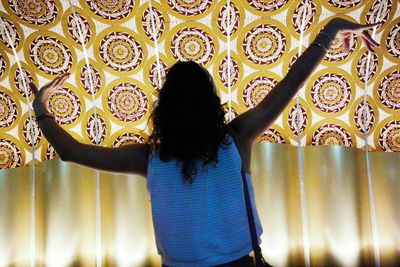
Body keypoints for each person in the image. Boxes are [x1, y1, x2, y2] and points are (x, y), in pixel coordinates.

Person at [31, 18, 380, 267]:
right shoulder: (237, 137)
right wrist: (331, 29)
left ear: (164, 107)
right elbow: (291, 83)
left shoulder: (147, 158)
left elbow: (70, 150)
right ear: (211, 101)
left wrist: (41, 109)